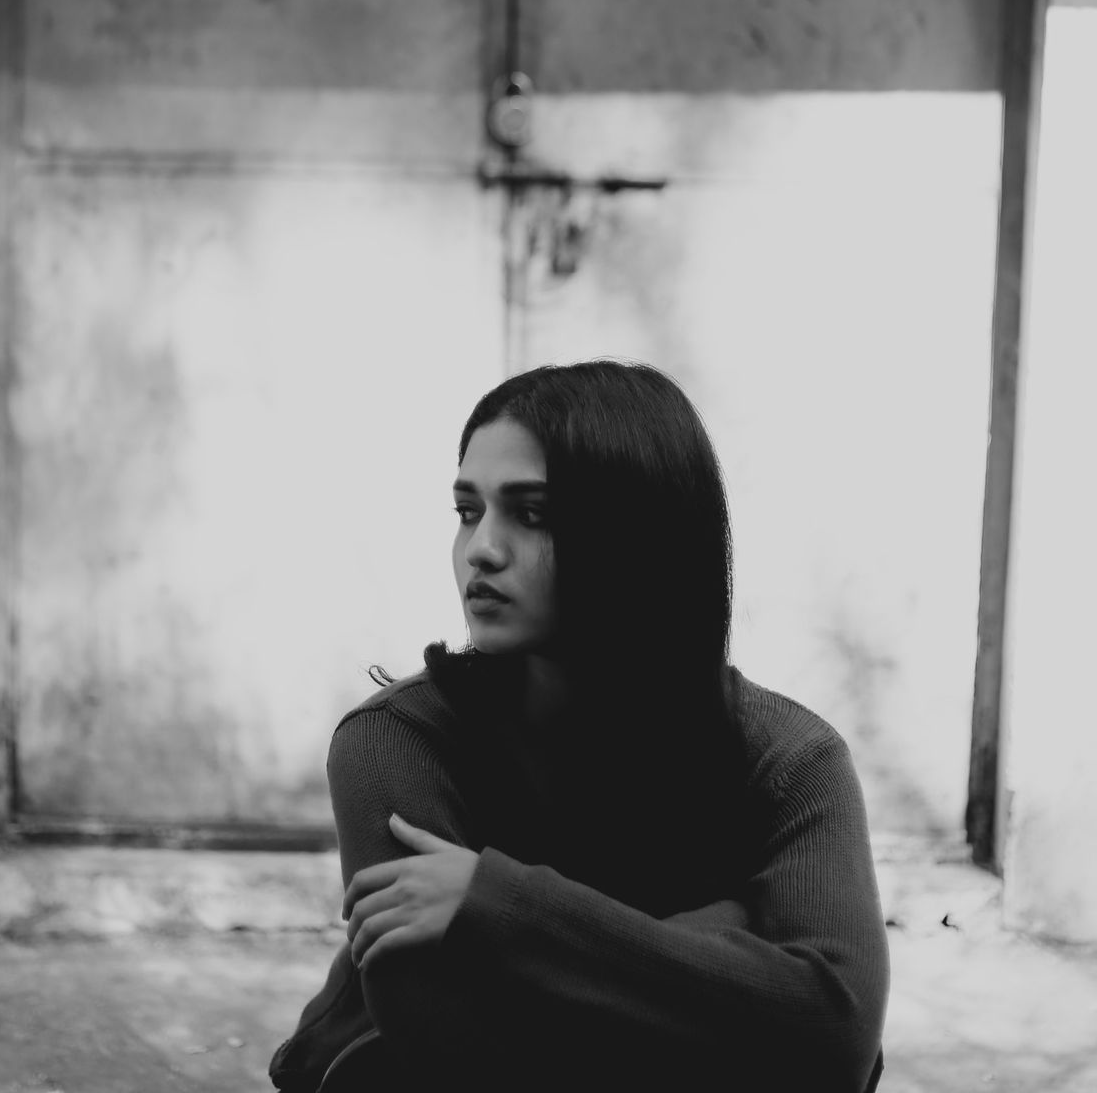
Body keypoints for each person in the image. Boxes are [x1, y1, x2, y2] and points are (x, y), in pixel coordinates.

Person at [269, 360, 889, 1093]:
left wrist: (498, 909)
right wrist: (727, 945)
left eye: (530, 513)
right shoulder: (396, 744)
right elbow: (449, 1055)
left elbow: (836, 1032)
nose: (482, 550)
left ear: (638, 537)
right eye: (469, 510)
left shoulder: (791, 760)